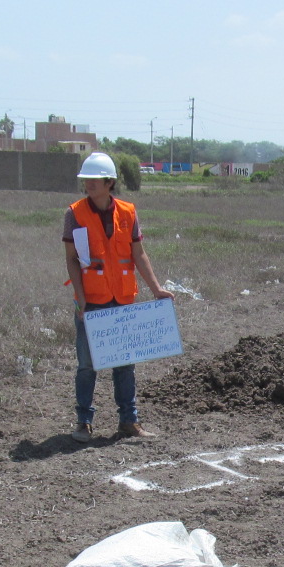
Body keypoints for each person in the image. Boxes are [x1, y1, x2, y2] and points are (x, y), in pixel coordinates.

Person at [63, 151, 174, 442]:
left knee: (125, 364)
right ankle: (83, 423)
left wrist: (156, 289)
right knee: (87, 365)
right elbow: (72, 259)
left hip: (122, 299)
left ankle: (129, 421)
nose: (88, 184)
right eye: (85, 179)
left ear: (109, 182)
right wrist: (80, 296)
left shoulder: (127, 212)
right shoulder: (75, 213)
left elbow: (138, 253)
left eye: (94, 180)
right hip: (93, 300)